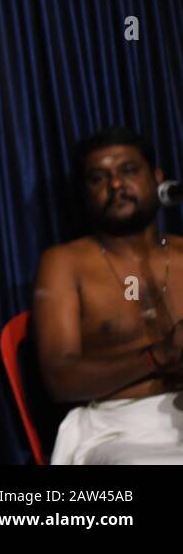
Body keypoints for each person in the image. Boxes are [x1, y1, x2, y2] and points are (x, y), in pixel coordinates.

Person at [34, 127, 183, 464]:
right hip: (119, 427)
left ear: (157, 177)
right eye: (98, 178)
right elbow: (60, 380)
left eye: (128, 171)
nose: (115, 185)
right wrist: (159, 355)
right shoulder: (65, 263)